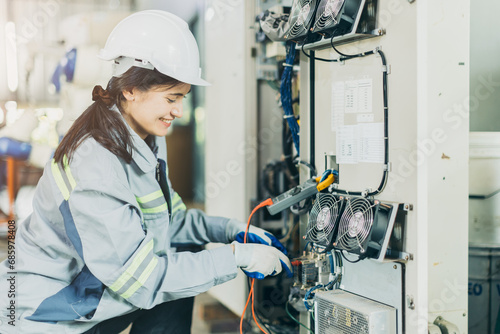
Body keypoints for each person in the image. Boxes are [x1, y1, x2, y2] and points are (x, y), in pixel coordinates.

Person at [0, 10, 291, 334]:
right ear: (130, 90)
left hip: (88, 293)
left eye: (181, 98)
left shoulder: (141, 138)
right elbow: (141, 280)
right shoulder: (95, 168)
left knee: (185, 256)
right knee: (176, 273)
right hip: (45, 313)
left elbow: (169, 223)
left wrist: (230, 230)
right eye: (171, 98)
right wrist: (235, 257)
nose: (179, 111)